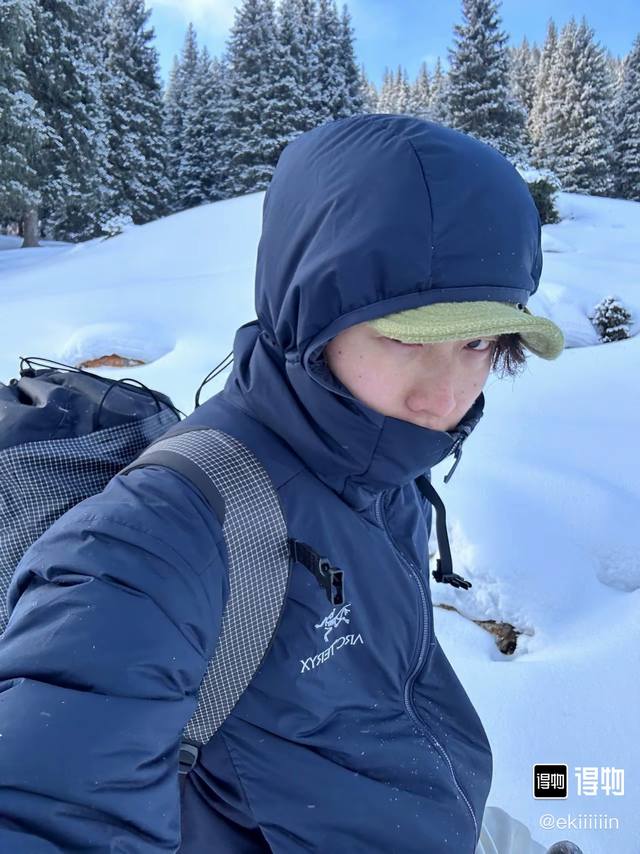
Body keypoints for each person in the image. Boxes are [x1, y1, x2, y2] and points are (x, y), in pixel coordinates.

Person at [0, 114, 567, 853]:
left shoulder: (380, 473)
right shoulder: (157, 537)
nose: (444, 398)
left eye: (478, 342)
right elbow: (44, 812)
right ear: (309, 313)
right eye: (405, 338)